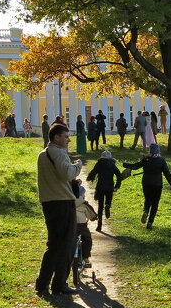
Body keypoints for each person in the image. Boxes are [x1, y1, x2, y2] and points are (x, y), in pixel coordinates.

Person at [35, 124, 83, 296]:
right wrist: (78, 166)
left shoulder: (43, 154)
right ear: (56, 137)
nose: (68, 139)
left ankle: (42, 284)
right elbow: (66, 173)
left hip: (49, 202)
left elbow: (57, 178)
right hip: (62, 203)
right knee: (67, 245)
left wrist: (70, 184)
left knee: (54, 245)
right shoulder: (59, 152)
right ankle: (60, 284)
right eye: (65, 136)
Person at [124, 143, 171, 229]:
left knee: (147, 199)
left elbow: (136, 166)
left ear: (150, 151)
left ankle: (146, 211)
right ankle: (150, 223)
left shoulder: (146, 159)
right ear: (158, 151)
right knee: (155, 204)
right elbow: (167, 174)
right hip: (157, 184)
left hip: (146, 183)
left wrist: (125, 164)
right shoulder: (161, 161)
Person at [87, 149, 124, 232]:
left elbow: (93, 172)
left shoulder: (99, 164)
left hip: (100, 187)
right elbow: (118, 175)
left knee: (100, 206)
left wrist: (89, 178)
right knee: (108, 201)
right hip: (110, 187)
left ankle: (99, 225)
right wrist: (117, 185)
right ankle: (107, 206)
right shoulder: (112, 164)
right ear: (110, 157)